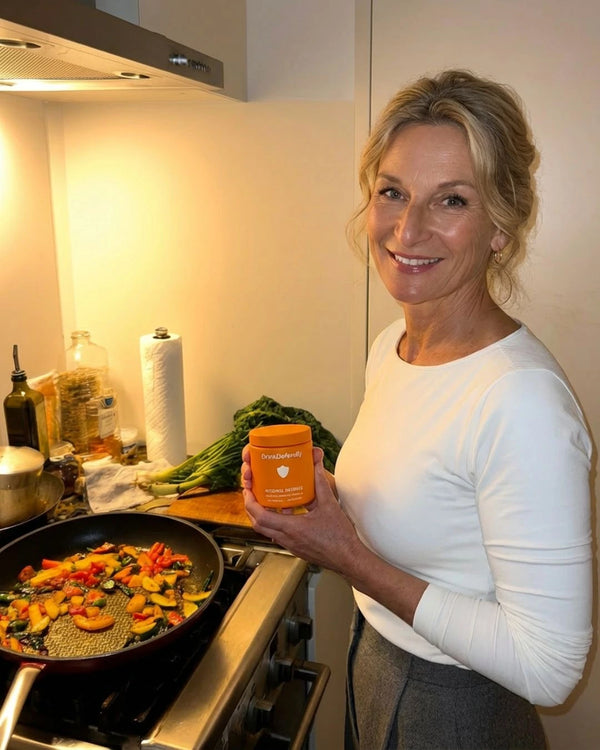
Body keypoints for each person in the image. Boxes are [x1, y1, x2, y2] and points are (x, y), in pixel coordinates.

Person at [242, 69, 593, 749]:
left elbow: (550, 668)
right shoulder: (394, 347)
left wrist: (346, 555)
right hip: (375, 658)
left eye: (451, 200)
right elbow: (432, 508)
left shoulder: (520, 400)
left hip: (457, 707)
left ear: (500, 226)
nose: (408, 228)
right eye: (392, 192)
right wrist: (324, 503)